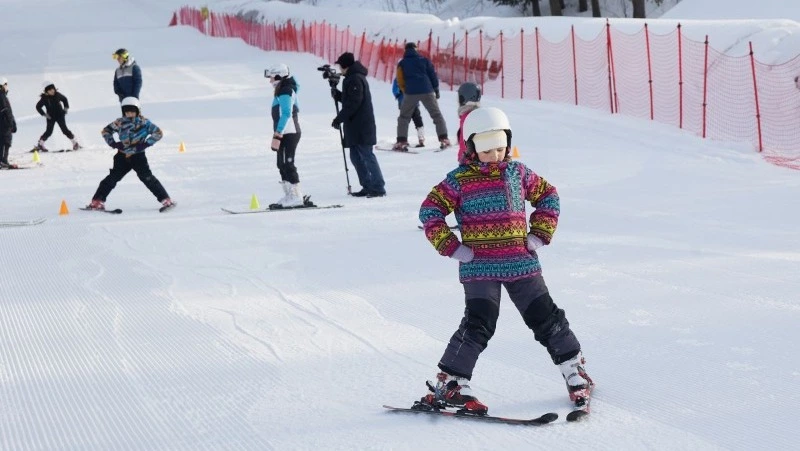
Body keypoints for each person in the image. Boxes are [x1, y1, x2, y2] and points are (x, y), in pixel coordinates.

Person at [417, 107, 592, 415]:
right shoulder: (458, 181)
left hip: (520, 262)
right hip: (479, 265)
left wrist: (539, 234)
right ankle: (452, 383)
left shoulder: (518, 173)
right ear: (471, 148)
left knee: (546, 317)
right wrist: (451, 247)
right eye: (486, 149)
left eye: (500, 147)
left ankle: (573, 368)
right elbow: (430, 211)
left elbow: (548, 196)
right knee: (478, 323)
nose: (495, 154)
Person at [86, 97, 174, 211]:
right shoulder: (119, 122)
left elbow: (158, 133)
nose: (130, 114)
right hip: (122, 156)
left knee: (147, 178)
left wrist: (145, 144)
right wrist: (114, 143)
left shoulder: (144, 123)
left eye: (132, 111)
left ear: (138, 111)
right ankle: (97, 201)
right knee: (112, 178)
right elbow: (106, 131)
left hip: (138, 156)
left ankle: (166, 200)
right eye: (127, 112)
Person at [331, 52, 386, 198]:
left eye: (340, 65)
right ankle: (367, 186)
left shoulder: (355, 78)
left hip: (362, 126)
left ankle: (378, 187)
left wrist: (339, 118)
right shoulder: (351, 78)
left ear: (345, 66)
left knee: (367, 156)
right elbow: (350, 99)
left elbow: (354, 103)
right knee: (356, 157)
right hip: (355, 126)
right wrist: (337, 94)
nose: (339, 68)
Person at [393, 42, 450, 151]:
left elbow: (399, 79)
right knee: (436, 115)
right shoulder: (425, 60)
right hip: (427, 90)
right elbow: (432, 75)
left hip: (411, 92)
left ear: (406, 50)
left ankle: (401, 141)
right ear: (416, 49)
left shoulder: (402, 63)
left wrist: (405, 90)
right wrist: (436, 89)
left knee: (404, 117)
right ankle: (444, 139)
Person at [266, 63, 306, 207]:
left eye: (272, 78)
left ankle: (296, 196)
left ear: (279, 76)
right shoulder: (283, 89)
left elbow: (287, 113)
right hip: (285, 132)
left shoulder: (285, 90)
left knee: (288, 163)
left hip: (289, 133)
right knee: (281, 164)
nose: (270, 81)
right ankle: (289, 195)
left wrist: (278, 133)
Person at [34, 81, 81, 152]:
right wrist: (44, 114)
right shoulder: (44, 98)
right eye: (50, 90)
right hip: (50, 117)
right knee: (49, 131)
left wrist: (65, 109)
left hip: (60, 115)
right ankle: (40, 144)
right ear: (46, 91)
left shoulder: (57, 95)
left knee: (65, 130)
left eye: (53, 89)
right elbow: (38, 107)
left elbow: (65, 99)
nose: (52, 91)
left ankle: (75, 143)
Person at [392, 76, 425, 147]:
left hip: (403, 102)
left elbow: (395, 90)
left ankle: (402, 140)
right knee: (417, 119)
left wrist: (398, 94)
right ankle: (421, 137)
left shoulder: (399, 77)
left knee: (403, 121)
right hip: (414, 102)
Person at [455, 82, 481, 162]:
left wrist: (462, 160)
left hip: (469, 163)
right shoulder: (478, 114)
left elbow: (465, 143)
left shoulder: (467, 117)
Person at [0, 77, 18, 169]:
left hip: (3, 123)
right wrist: (11, 123)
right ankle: (2, 161)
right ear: (3, 85)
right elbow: (6, 111)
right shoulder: (2, 96)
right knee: (5, 142)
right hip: (4, 124)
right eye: (6, 84)